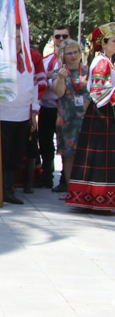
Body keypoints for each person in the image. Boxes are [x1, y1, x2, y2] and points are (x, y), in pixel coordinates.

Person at [0, 30, 43, 208]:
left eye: (21, 38)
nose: (18, 41)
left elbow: (35, 86)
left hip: (23, 114)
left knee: (16, 155)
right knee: (2, 154)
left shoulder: (29, 59)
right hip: (4, 114)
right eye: (15, 37)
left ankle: (9, 190)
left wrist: (34, 110)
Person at [66, 24, 115, 210]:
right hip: (102, 113)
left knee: (99, 157)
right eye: (113, 41)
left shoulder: (106, 60)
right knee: (100, 156)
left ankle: (94, 198)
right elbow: (98, 90)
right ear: (103, 44)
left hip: (103, 112)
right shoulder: (101, 62)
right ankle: (97, 199)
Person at [37, 26, 72, 188]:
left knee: (65, 145)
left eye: (65, 36)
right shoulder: (45, 61)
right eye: (58, 36)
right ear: (53, 38)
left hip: (65, 109)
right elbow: (39, 81)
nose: (61, 39)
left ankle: (65, 179)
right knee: (45, 143)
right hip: (47, 107)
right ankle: (46, 176)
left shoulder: (72, 61)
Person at [51, 39, 88, 192]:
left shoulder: (88, 71)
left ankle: (86, 189)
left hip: (87, 119)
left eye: (76, 52)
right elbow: (59, 92)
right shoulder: (59, 72)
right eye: (69, 53)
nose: (73, 56)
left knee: (86, 155)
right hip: (67, 120)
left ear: (80, 53)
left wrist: (89, 100)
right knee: (69, 155)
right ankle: (71, 190)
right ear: (63, 56)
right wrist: (60, 78)